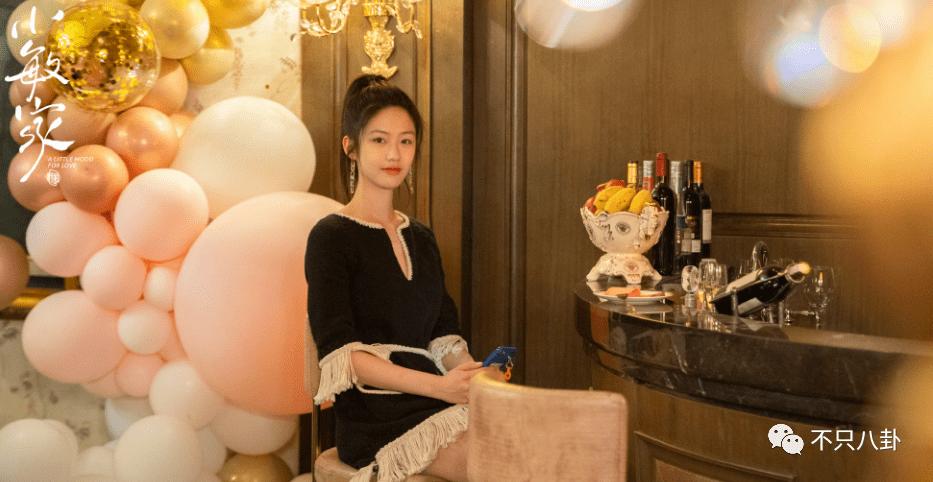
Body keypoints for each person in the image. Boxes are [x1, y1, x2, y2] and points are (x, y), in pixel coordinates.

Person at [305, 75, 492, 482]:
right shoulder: (330, 237)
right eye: (379, 140)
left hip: (436, 401)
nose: (394, 153)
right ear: (350, 147)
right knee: (495, 462)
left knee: (532, 440)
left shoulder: (421, 237)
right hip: (373, 417)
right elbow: (342, 356)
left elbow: (443, 337)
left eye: (406, 141)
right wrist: (442, 388)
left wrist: (474, 378)